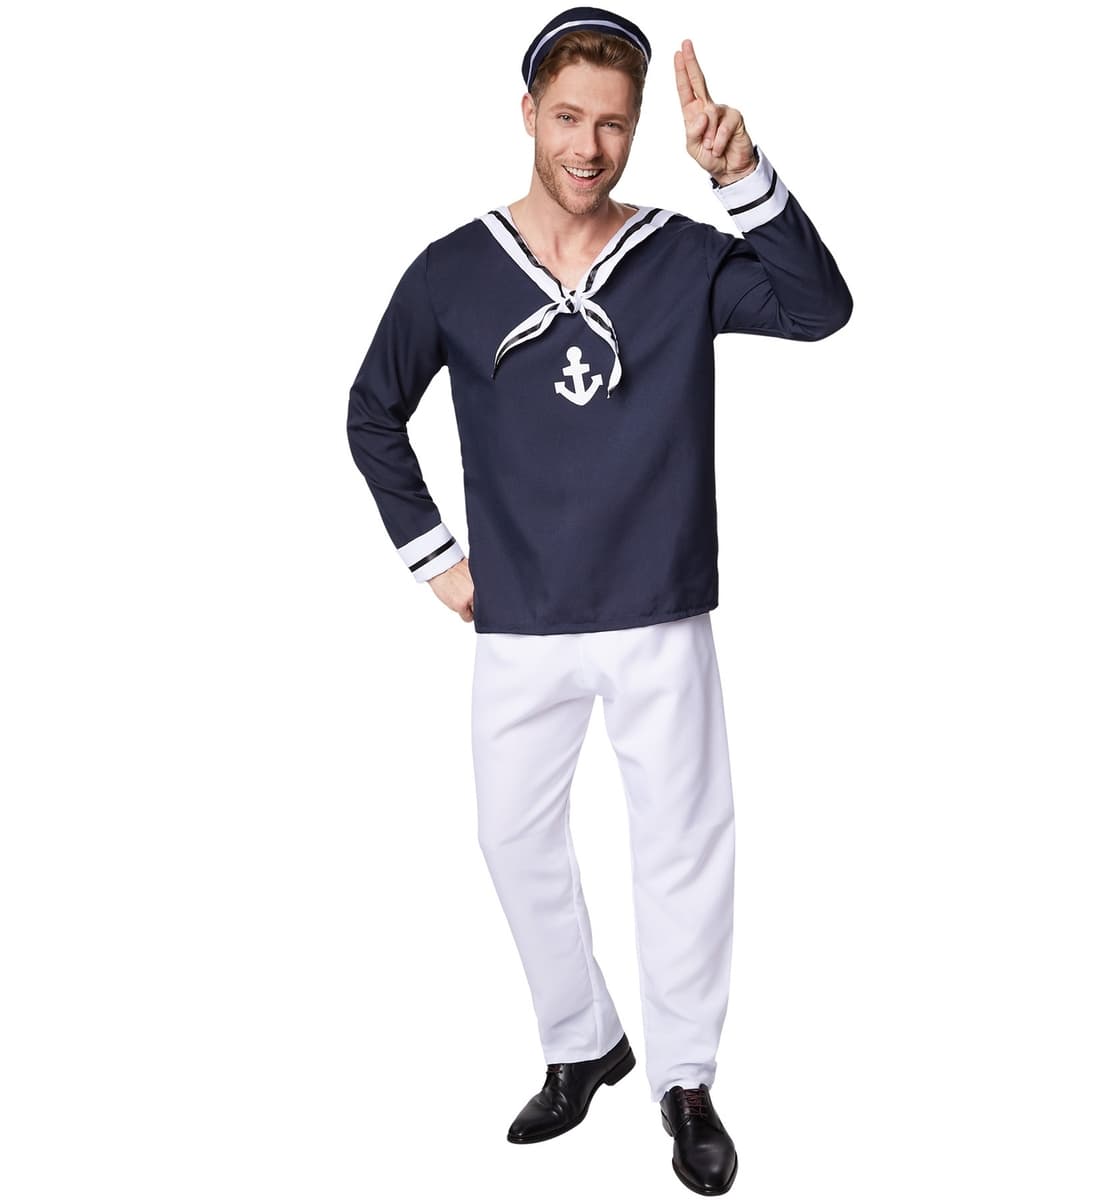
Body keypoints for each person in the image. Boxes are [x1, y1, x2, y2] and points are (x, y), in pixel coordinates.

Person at [346, 7, 852, 1194]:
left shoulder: (681, 257)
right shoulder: (453, 270)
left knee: (681, 846)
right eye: (568, 118)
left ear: (635, 133)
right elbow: (372, 413)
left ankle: (686, 1081)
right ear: (528, 114)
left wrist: (743, 177)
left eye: (614, 126)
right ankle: (584, 1040)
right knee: (510, 836)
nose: (588, 147)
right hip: (518, 619)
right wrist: (437, 559)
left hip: (658, 608)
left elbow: (819, 308)